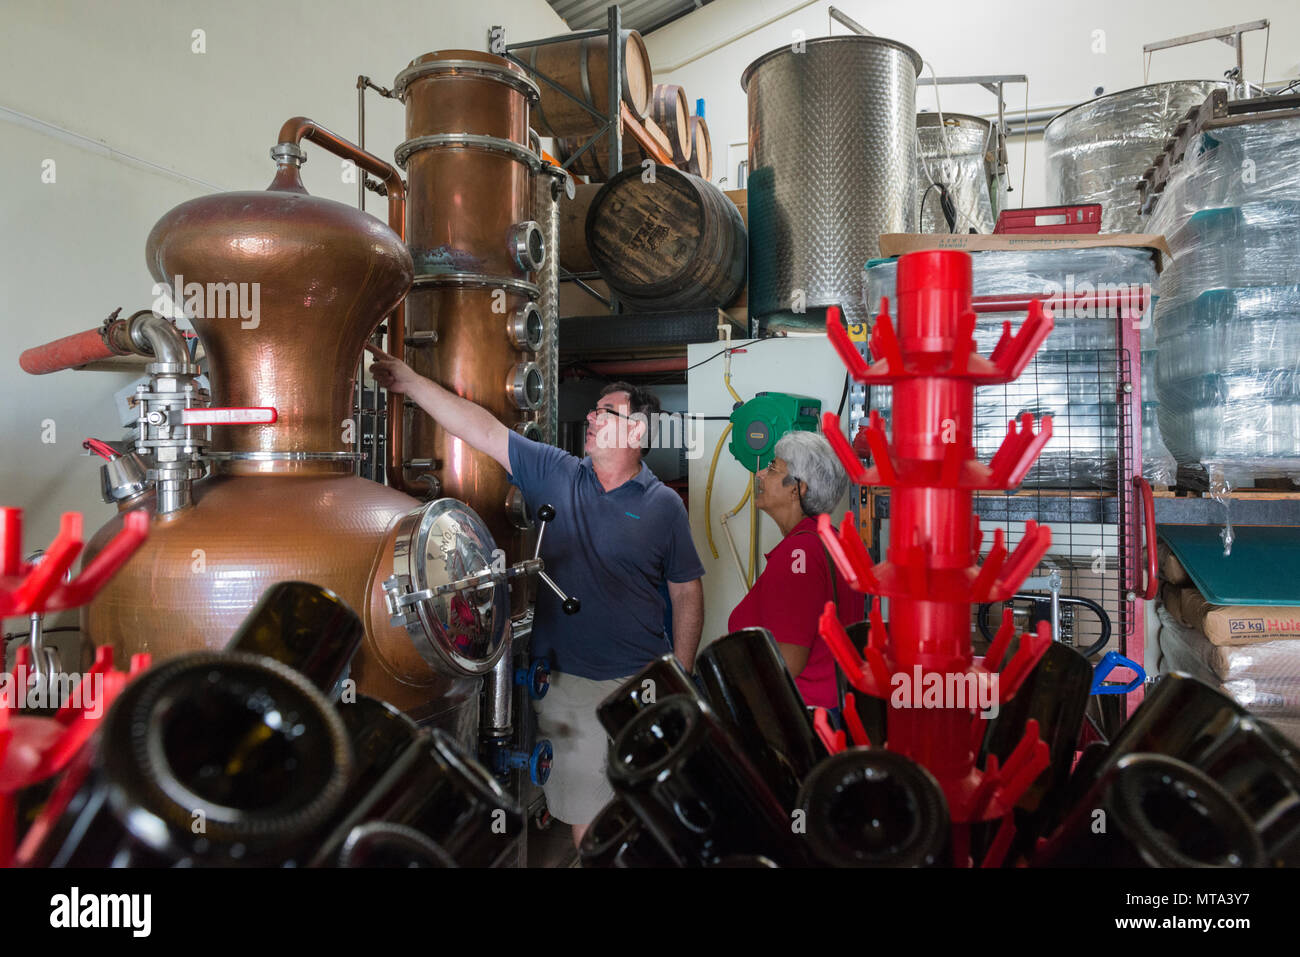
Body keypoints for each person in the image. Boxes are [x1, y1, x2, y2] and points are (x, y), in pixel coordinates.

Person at [365, 346, 705, 848]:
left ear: (637, 433)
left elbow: (686, 591)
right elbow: (480, 429)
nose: (590, 417)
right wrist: (412, 383)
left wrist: (680, 671)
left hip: (643, 681)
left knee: (645, 808)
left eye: (605, 413)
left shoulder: (663, 507)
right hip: (572, 686)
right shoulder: (558, 473)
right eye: (592, 410)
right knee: (593, 823)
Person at [727, 430, 863, 710]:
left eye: (773, 469)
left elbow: (787, 660)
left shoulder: (797, 554)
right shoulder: (833, 541)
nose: (760, 475)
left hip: (803, 716)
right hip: (835, 710)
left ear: (797, 488)